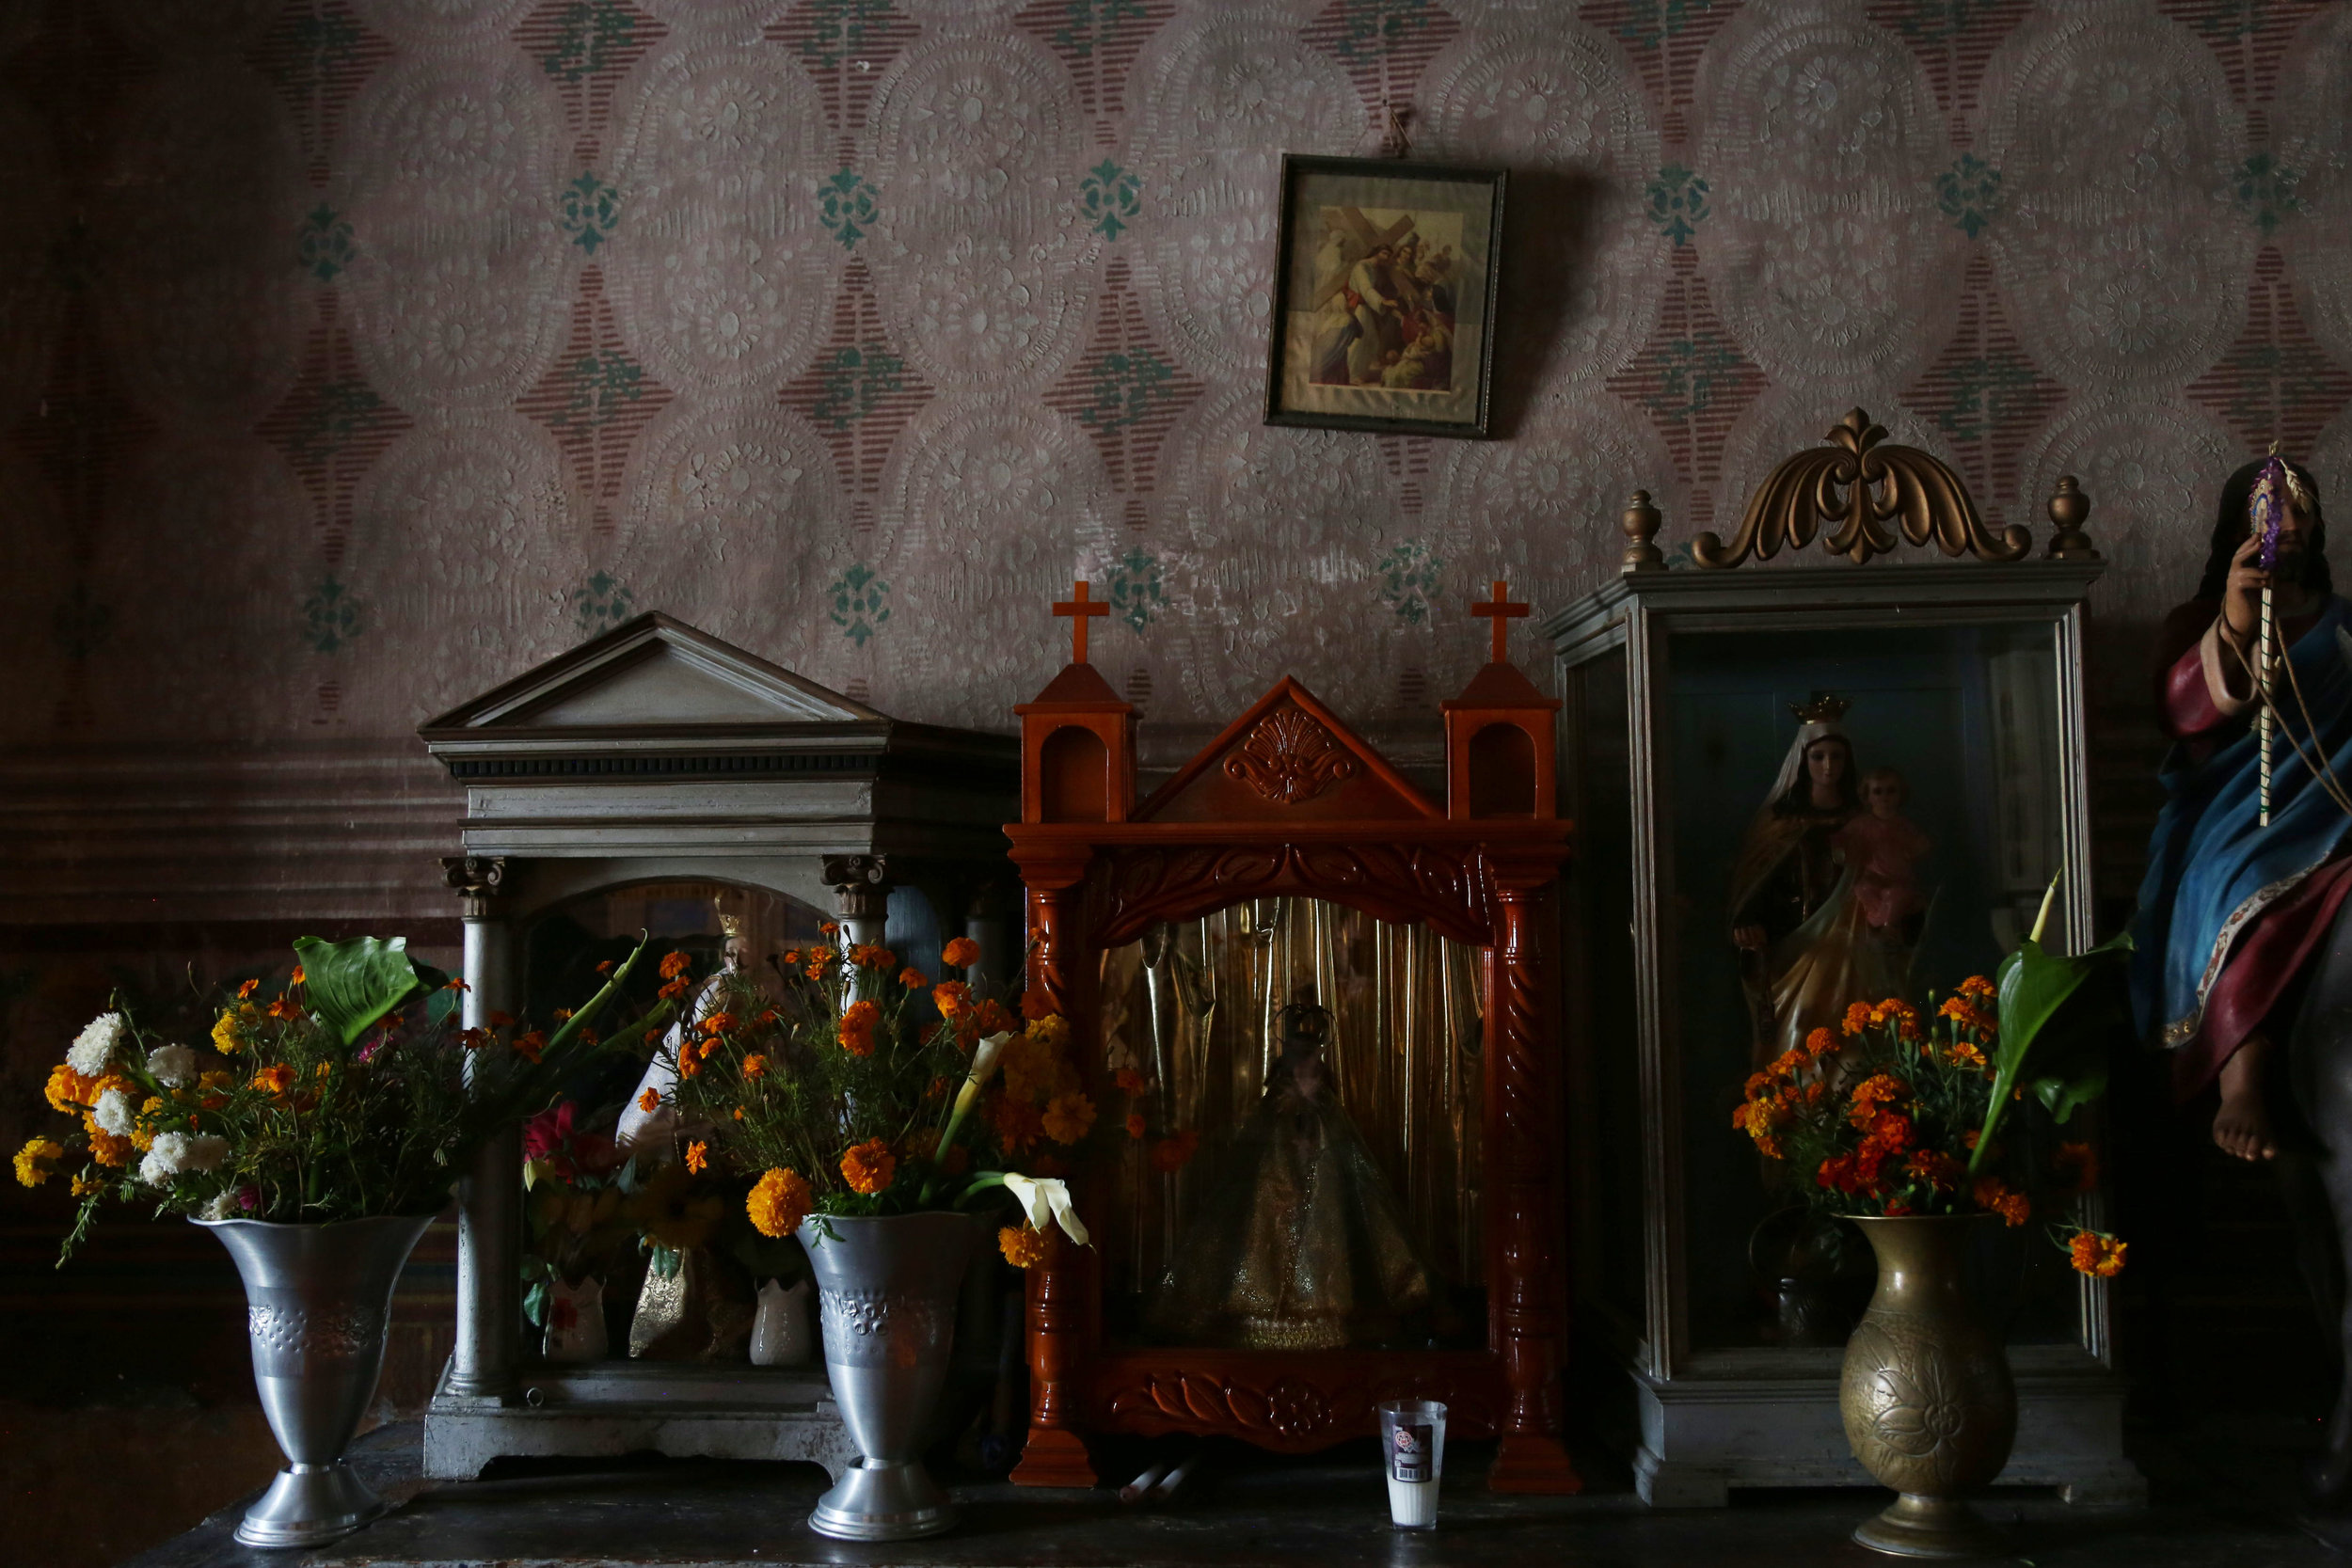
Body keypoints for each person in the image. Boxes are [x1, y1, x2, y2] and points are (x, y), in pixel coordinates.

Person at [2129, 453, 2352, 1497]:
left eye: (2301, 511)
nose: (2289, 526)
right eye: (2269, 511)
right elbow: (2187, 710)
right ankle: (2245, 1068)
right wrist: (2232, 623)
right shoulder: (2209, 610)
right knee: (2244, 878)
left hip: (2344, 805)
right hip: (2250, 806)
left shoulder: (2347, 622)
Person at [1145, 999, 1440, 1350]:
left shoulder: (1326, 1106)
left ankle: (1329, 1309)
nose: (1303, 1064)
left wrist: (1312, 1112)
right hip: (1275, 1184)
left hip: (1321, 1181)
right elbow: (1258, 1147)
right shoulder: (1275, 1103)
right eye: (1297, 1056)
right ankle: (1257, 1309)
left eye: (1309, 1057)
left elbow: (1334, 1146)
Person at [1729, 697, 1899, 1069]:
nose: (1828, 767)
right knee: (1801, 1032)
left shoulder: (1863, 818)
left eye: (1836, 757)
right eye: (1818, 757)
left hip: (1854, 942)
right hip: (1796, 943)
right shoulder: (1780, 822)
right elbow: (1754, 880)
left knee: (1853, 1035)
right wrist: (1749, 918)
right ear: (1803, 761)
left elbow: (1891, 868)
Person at [1834, 766, 1932, 941]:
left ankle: (1887, 926)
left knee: (1896, 894)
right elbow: (1840, 840)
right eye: (1878, 792)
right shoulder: (1861, 824)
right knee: (1863, 889)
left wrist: (1916, 849)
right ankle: (1876, 921)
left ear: (1900, 794)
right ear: (1868, 796)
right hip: (1871, 877)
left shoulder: (1903, 825)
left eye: (1891, 791)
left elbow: (1921, 846)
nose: (1884, 797)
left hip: (1899, 878)